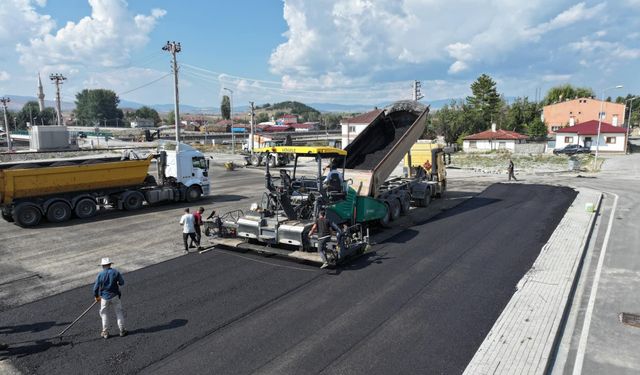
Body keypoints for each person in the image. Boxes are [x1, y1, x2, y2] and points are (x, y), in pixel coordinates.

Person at [93, 257, 126, 339]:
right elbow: (122, 283)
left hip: (104, 298)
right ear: (110, 264)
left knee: (104, 315)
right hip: (115, 296)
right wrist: (117, 282)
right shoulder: (115, 272)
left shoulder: (100, 275)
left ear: (103, 266)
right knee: (119, 313)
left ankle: (105, 332)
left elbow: (95, 288)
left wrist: (96, 296)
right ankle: (122, 330)